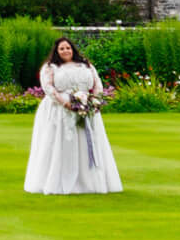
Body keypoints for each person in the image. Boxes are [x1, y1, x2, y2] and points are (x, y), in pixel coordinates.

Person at [24, 36, 123, 196]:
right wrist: (66, 103)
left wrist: (94, 101)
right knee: (62, 143)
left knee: (86, 141)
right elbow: (48, 87)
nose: (65, 51)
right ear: (57, 51)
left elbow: (97, 84)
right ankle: (61, 179)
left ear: (73, 49)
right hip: (61, 109)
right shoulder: (50, 67)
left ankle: (89, 181)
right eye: (62, 48)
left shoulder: (86, 65)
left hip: (87, 107)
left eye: (68, 48)